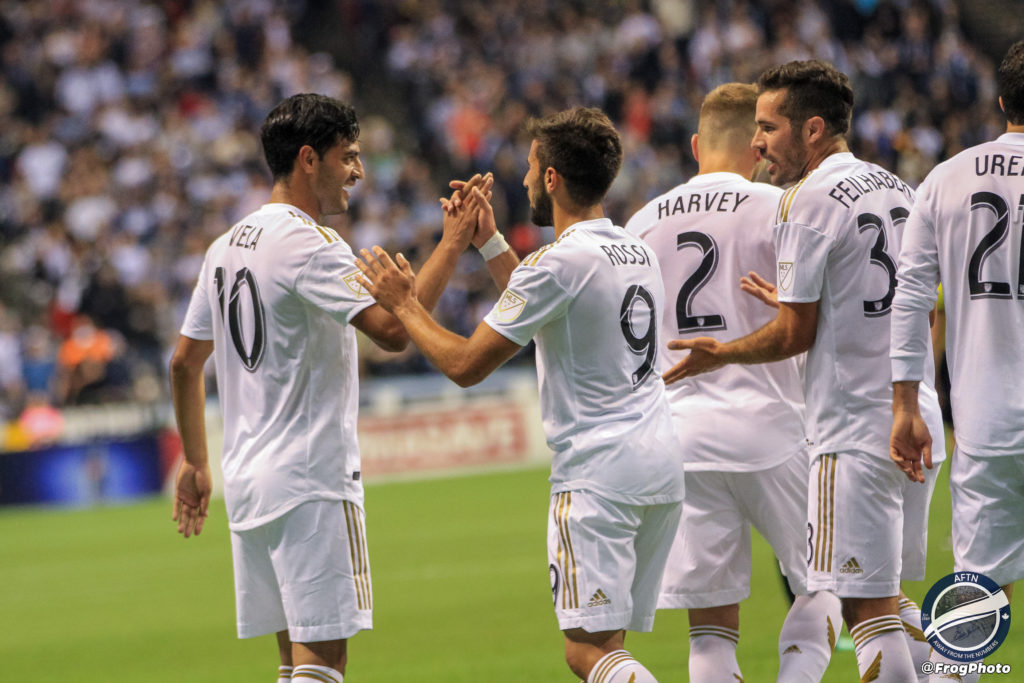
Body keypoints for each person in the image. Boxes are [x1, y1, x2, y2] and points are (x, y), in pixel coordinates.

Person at [355, 107, 685, 683]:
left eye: (532, 168)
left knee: (587, 652)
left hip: (598, 476)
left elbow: (465, 365)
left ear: (552, 178)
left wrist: (405, 303)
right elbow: (545, 309)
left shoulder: (558, 263)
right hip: (658, 464)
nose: (526, 178)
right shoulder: (634, 250)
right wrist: (489, 242)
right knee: (610, 643)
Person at [169, 93, 489, 683]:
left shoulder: (223, 248)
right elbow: (393, 329)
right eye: (349, 156)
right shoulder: (308, 243)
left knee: (292, 663)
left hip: (249, 483)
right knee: (323, 663)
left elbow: (185, 363)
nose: (359, 171)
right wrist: (453, 242)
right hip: (310, 480)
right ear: (309, 159)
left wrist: (195, 462)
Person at [663, 61, 945, 682]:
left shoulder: (805, 199)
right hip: (915, 415)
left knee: (863, 608)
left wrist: (722, 352)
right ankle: (956, 672)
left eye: (769, 127)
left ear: (812, 129)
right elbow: (920, 306)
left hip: (854, 430)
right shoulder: (899, 188)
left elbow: (795, 334)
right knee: (883, 595)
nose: (758, 143)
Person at [624, 82, 842, 683]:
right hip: (774, 428)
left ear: (697, 145)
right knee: (830, 585)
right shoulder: (783, 207)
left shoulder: (641, 223)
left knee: (710, 629)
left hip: (680, 441)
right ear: (758, 143)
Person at [890, 39, 1024, 682]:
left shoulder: (945, 179)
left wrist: (906, 404)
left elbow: (911, 297)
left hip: (986, 423)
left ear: (1000, 101)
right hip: (985, 422)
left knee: (973, 613)